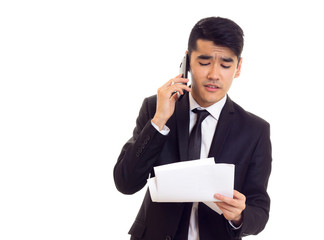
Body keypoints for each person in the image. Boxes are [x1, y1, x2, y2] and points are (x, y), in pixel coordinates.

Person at [114, 16, 272, 240]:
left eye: (225, 65)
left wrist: (240, 215)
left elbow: (260, 210)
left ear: (238, 67)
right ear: (187, 62)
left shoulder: (255, 130)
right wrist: (158, 121)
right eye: (204, 62)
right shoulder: (156, 108)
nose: (214, 75)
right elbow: (125, 183)